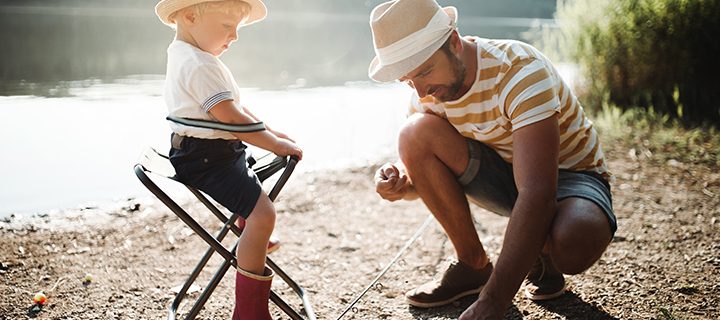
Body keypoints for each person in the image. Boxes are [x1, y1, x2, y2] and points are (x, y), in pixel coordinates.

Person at [368, 0, 616, 319]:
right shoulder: (430, 93)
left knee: (573, 242)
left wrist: (494, 301)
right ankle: (472, 264)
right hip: (506, 175)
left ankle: (542, 252)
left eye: (425, 71)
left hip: (572, 175)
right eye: (408, 80)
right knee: (413, 132)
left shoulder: (519, 69)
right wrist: (402, 183)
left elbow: (538, 192)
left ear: (454, 42)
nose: (421, 91)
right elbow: (428, 178)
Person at [154, 0, 303, 319]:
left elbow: (236, 110)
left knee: (252, 178)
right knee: (264, 215)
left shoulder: (188, 53)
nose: (234, 36)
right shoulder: (199, 65)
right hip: (207, 159)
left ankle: (248, 229)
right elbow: (232, 118)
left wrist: (272, 133)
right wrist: (274, 144)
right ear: (191, 16)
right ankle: (249, 311)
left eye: (236, 28)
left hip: (208, 152)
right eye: (226, 27)